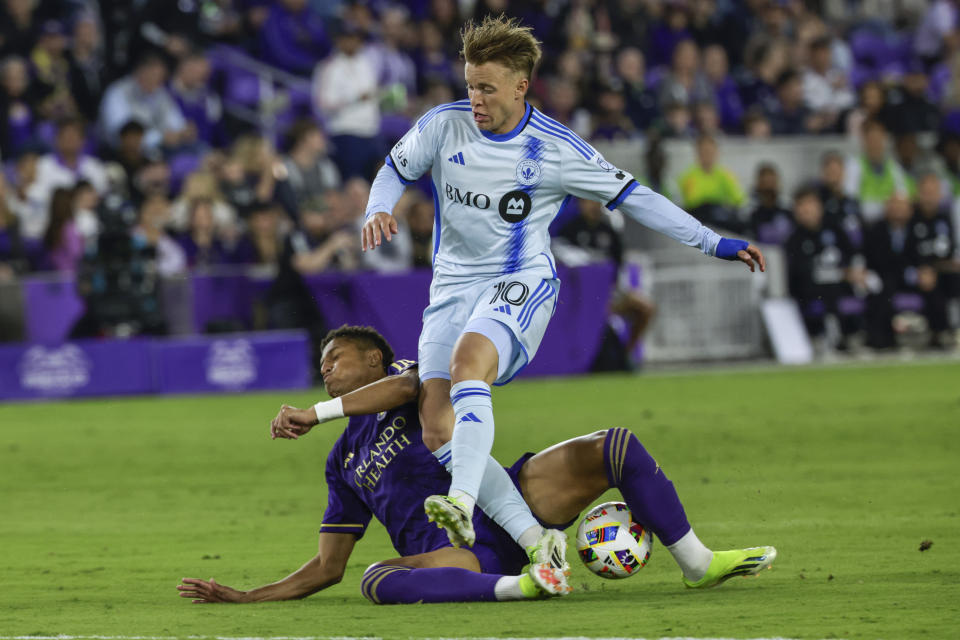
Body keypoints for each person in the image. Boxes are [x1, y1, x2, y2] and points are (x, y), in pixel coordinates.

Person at [360, 15, 765, 592]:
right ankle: (536, 540)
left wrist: (712, 241)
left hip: (519, 284)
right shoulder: (443, 125)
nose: (474, 98)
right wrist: (379, 208)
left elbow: (636, 197)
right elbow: (393, 170)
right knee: (435, 426)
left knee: (469, 363)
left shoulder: (553, 148)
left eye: (487, 88)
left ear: (521, 86)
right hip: (450, 290)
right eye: (470, 84)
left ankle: (460, 501)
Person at [177, 325, 777, 605]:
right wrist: (249, 598)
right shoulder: (343, 461)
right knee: (374, 580)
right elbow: (329, 567)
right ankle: (525, 584)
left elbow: (405, 388)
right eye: (322, 363)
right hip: (458, 551)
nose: (326, 368)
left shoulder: (412, 378)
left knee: (612, 445)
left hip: (505, 493)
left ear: (375, 357)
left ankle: (696, 562)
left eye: (336, 358)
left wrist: (318, 409)